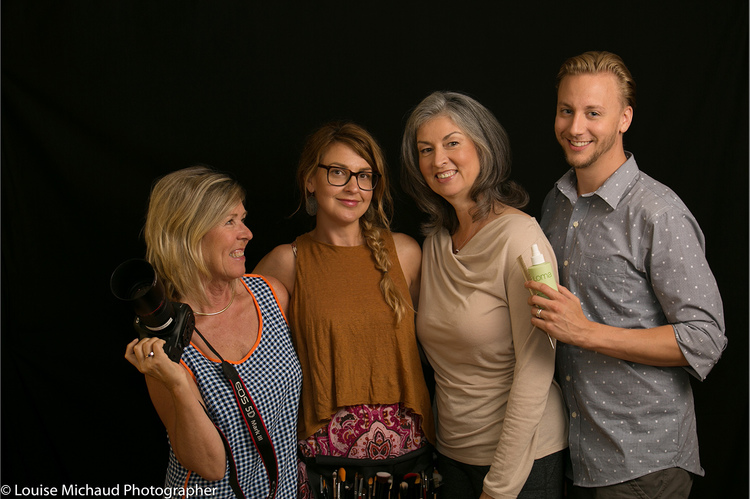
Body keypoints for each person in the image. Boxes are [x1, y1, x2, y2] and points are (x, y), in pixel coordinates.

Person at [526, 51, 727, 499]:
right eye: (566, 110)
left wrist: (585, 331)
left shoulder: (658, 213)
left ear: (624, 118)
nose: (576, 127)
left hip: (644, 464)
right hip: (576, 456)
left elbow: (705, 338)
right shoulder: (554, 204)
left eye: (593, 113)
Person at [400, 91, 568, 499]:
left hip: (522, 461)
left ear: (483, 147)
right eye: (426, 149)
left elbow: (536, 367)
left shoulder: (520, 239)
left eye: (452, 142)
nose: (438, 160)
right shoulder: (436, 243)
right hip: (454, 455)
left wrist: (502, 484)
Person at [253, 122, 435, 498]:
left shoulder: (406, 253)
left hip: (407, 460)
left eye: (364, 175)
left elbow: (440, 344)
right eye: (338, 172)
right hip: (326, 465)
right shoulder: (286, 262)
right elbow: (253, 363)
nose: (354, 187)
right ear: (309, 181)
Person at [123, 166, 302, 497]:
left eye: (243, 218)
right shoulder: (166, 344)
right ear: (187, 234)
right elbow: (208, 465)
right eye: (229, 221)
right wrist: (176, 383)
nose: (246, 233)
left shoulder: (272, 295)